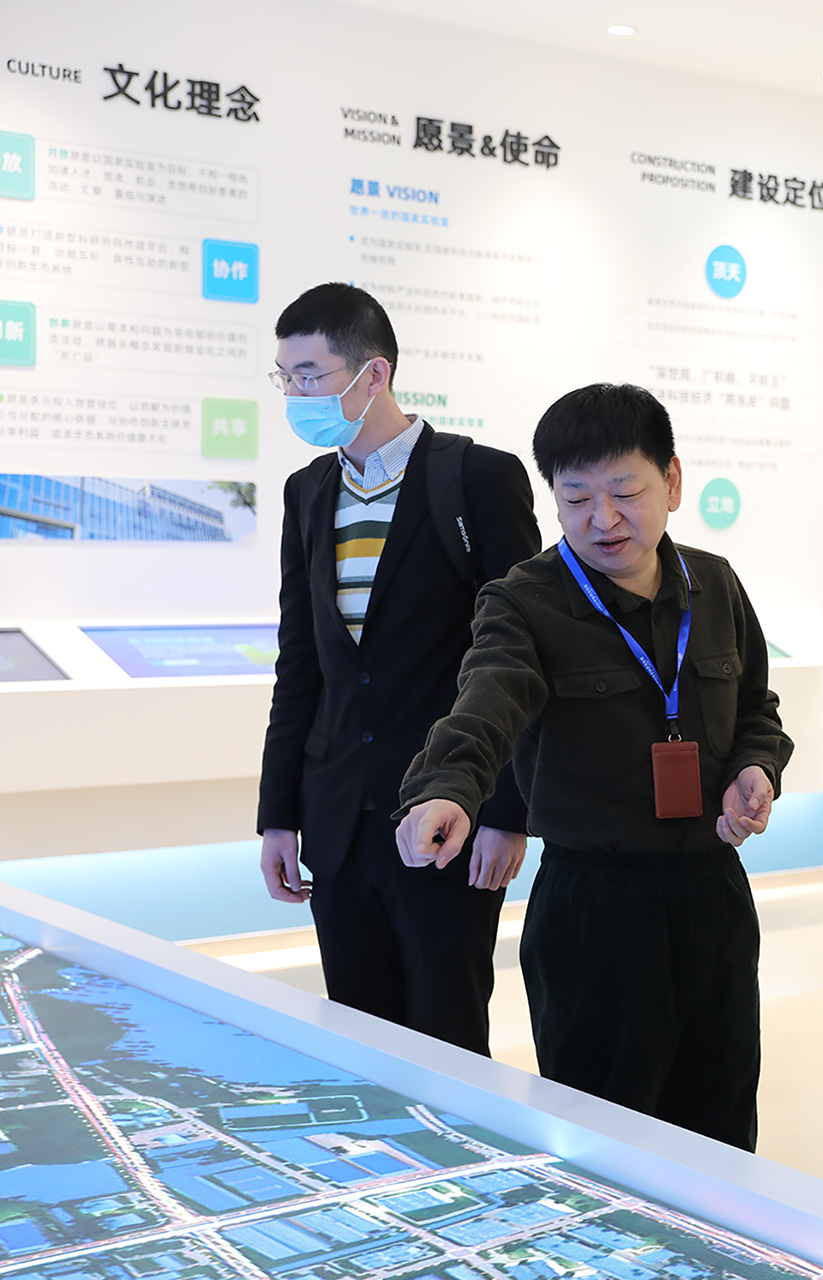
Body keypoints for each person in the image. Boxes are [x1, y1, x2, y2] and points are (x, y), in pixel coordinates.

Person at [394, 383, 792, 1151]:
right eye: (576, 498)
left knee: (720, 1132)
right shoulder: (524, 601)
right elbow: (485, 701)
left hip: (713, 897)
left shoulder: (715, 584)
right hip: (594, 910)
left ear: (672, 482)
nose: (602, 520)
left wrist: (758, 768)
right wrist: (447, 788)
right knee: (603, 1141)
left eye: (625, 493)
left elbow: (757, 711)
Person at [256, 282, 541, 1056]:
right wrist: (279, 814)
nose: (296, 395)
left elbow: (521, 657)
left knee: (449, 1038)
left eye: (310, 375)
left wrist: (507, 811)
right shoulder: (308, 492)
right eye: (286, 377)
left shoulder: (476, 478)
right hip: (337, 821)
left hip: (446, 814)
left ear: (372, 373)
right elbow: (301, 663)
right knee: (360, 1043)